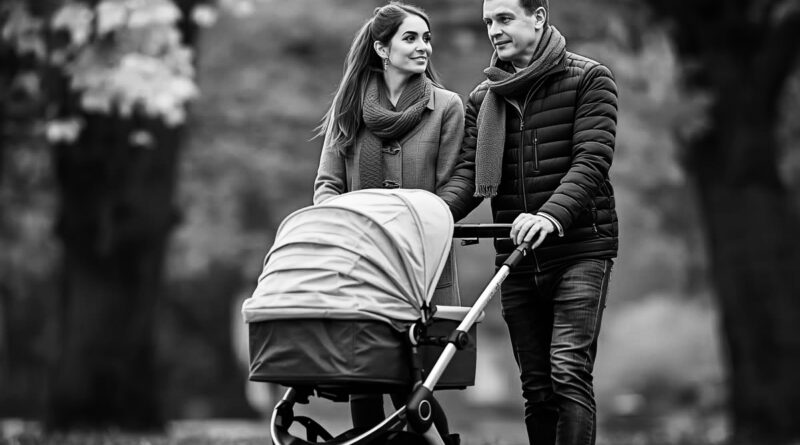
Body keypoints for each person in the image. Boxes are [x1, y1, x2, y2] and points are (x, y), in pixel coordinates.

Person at [439, 0, 619, 444]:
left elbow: (591, 160)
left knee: (567, 371)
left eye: (504, 18)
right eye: (488, 22)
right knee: (537, 388)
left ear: (538, 17)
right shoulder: (485, 98)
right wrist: (428, 216)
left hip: (579, 249)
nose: (493, 30)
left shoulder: (589, 78)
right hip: (517, 256)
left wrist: (549, 215)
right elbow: (470, 175)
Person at [312, 1, 464, 434]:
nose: (423, 47)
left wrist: (422, 226)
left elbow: (453, 184)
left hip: (420, 263)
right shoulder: (349, 107)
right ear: (382, 48)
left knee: (410, 382)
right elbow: (327, 186)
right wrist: (345, 227)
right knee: (364, 379)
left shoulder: (447, 107)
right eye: (410, 38)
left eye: (427, 38)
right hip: (361, 261)